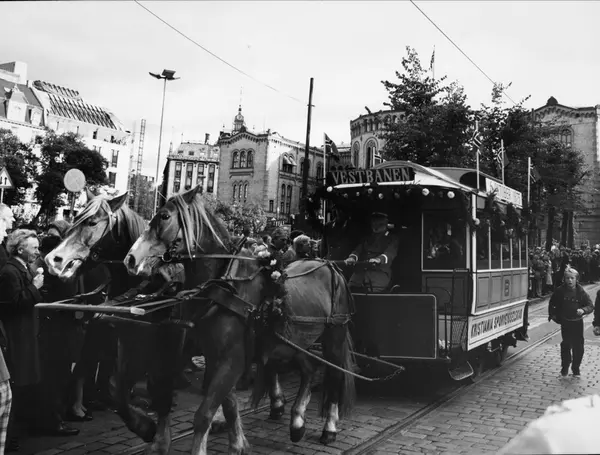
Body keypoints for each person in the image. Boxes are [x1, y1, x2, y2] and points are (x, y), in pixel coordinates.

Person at [548, 266, 593, 377]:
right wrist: (554, 316)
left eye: (572, 278)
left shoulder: (581, 292)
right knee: (566, 345)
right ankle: (565, 366)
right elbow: (552, 304)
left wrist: (583, 310)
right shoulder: (560, 291)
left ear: (576, 279)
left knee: (578, 347)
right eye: (567, 278)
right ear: (564, 279)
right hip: (566, 322)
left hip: (577, 322)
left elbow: (590, 305)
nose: (570, 280)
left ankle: (576, 367)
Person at [345, 212, 399, 293]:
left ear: (385, 223)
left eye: (379, 223)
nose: (375, 226)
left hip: (379, 274)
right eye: (374, 223)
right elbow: (358, 250)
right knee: (347, 291)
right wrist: (352, 258)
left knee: (372, 296)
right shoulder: (367, 238)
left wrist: (378, 260)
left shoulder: (392, 239)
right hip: (360, 273)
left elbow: (390, 254)